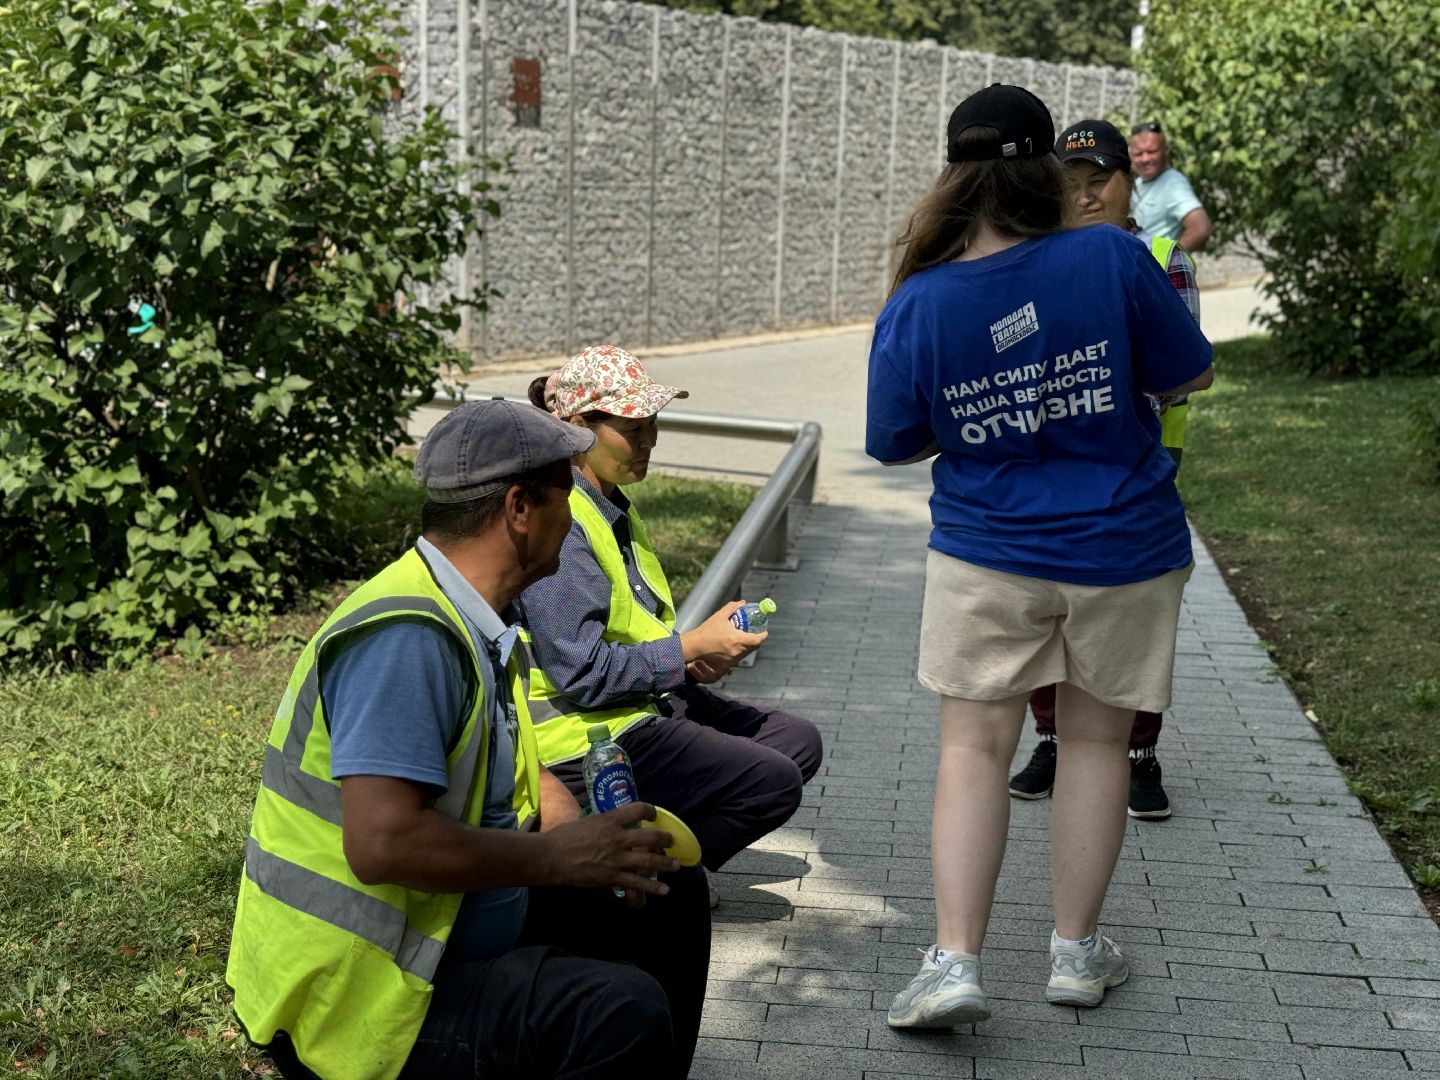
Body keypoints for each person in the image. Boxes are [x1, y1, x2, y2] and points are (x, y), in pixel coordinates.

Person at [225, 399, 711, 1080]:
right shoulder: (408, 638)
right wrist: (555, 860)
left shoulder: (473, 612)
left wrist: (580, 834)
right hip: (361, 996)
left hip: (441, 933)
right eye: (566, 498)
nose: (574, 519)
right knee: (619, 1012)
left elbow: (509, 764)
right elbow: (383, 843)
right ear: (520, 508)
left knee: (667, 894)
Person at [865, 85, 1214, 1028]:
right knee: (1097, 744)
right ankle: (1074, 955)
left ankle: (954, 963)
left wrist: (989, 402)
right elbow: (1190, 370)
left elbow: (893, 441)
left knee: (974, 748)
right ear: (1047, 167)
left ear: (953, 173)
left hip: (987, 551)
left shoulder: (920, 297)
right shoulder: (1111, 255)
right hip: (1124, 545)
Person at [518, 344, 823, 899]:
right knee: (771, 781)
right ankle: (649, 881)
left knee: (796, 741)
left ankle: (651, 853)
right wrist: (687, 650)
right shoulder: (562, 520)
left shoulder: (610, 503)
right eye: (631, 428)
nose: (649, 441)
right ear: (579, 430)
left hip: (639, 701)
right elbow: (581, 675)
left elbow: (633, 628)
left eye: (653, 423)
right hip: (587, 733)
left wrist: (692, 658)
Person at [1007, 117, 1203, 821]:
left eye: (1101, 181)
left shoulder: (1162, 257)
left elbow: (1181, 371)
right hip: (1050, 467)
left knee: (1129, 624)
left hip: (1136, 470)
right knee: (1046, 611)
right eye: (1071, 184)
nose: (1086, 197)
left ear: (1130, 184)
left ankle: (1139, 752)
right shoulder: (1032, 258)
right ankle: (1053, 740)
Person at [1129, 120, 1213, 254]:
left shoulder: (1172, 183)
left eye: (1152, 151)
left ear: (1165, 150)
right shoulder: (1138, 184)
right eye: (1139, 154)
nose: (1145, 159)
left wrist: (1168, 261)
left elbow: (1201, 228)